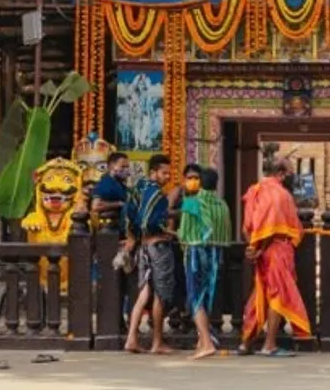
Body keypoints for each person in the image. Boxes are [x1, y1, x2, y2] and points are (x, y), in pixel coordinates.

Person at [240, 159, 311, 357]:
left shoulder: (255, 190)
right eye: (290, 172)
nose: (292, 177)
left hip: (261, 250)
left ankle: (246, 343)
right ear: (281, 173)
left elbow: (247, 227)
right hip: (277, 249)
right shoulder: (279, 193)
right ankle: (269, 345)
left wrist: (254, 248)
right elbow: (272, 225)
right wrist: (261, 248)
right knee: (277, 295)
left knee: (261, 294)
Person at [123, 153, 179, 355]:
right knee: (160, 294)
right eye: (164, 173)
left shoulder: (138, 188)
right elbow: (150, 222)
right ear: (153, 172)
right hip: (158, 247)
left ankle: (132, 338)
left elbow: (128, 215)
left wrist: (133, 237)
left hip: (143, 247)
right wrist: (170, 232)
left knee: (143, 293)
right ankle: (157, 342)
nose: (167, 177)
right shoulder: (158, 196)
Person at [177, 163, 232, 360]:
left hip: (195, 254)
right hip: (216, 256)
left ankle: (207, 343)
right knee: (206, 297)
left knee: (195, 298)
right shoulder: (222, 204)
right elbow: (226, 232)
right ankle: (203, 340)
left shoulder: (192, 203)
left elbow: (183, 234)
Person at [88, 151, 133, 230]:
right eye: (122, 167)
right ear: (112, 166)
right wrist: (119, 204)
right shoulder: (106, 182)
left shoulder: (118, 183)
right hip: (109, 230)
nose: (126, 170)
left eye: (127, 167)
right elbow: (95, 206)